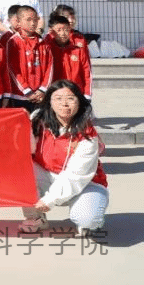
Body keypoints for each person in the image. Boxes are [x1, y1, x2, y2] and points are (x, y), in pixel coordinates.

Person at [19, 80, 109, 237]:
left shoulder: (87, 135)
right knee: (22, 171)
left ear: (79, 102)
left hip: (85, 183)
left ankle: (91, 220)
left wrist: (50, 200)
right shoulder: (38, 120)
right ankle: (36, 218)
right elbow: (27, 149)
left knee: (88, 219)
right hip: (47, 176)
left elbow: (75, 175)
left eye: (70, 98)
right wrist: (23, 123)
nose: (64, 104)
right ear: (49, 102)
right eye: (58, 98)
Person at [6, 5, 53, 113]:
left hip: (40, 95)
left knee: (39, 122)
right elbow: (12, 69)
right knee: (22, 123)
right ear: (18, 22)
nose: (33, 23)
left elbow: (49, 67)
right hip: (20, 95)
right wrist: (26, 90)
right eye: (28, 20)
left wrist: (42, 89)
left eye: (35, 20)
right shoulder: (13, 42)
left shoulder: (43, 42)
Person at [47, 14, 92, 100]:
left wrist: (87, 94)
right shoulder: (47, 49)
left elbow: (86, 71)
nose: (63, 33)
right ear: (51, 32)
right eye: (59, 30)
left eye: (66, 30)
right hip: (55, 93)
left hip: (75, 92)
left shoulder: (77, 49)